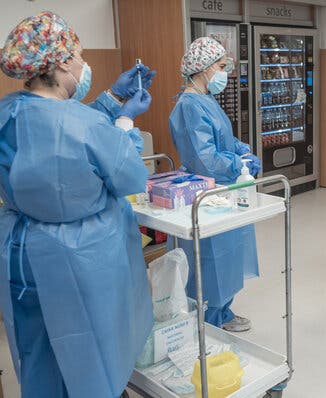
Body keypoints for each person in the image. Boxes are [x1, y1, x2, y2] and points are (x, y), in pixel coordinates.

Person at [0, 12, 155, 398]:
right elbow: (129, 176)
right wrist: (124, 124)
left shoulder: (9, 112)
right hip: (81, 257)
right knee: (91, 348)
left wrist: (111, 100)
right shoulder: (85, 127)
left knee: (42, 349)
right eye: (82, 57)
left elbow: (57, 135)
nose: (86, 65)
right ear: (64, 61)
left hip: (22, 253)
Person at [169, 37, 262, 332]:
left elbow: (223, 139)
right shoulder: (189, 106)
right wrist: (239, 165)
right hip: (206, 193)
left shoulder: (206, 99)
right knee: (210, 261)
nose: (226, 73)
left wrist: (241, 150)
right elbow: (204, 159)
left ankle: (222, 312)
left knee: (229, 254)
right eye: (222, 67)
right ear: (204, 68)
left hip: (224, 190)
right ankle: (207, 322)